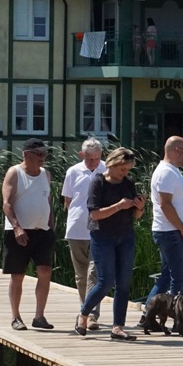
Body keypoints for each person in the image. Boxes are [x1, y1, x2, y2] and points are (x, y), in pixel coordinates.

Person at [76, 147, 145, 341]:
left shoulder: (128, 183)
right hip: (102, 237)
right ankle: (83, 314)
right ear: (112, 164)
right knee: (105, 282)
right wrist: (118, 206)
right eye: (122, 169)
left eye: (128, 170)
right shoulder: (97, 182)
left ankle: (118, 327)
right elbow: (95, 214)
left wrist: (140, 207)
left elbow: (136, 215)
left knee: (124, 283)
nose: (125, 173)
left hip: (126, 236)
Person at [139, 136, 183, 332]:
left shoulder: (172, 172)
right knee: (177, 278)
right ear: (177, 150)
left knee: (165, 276)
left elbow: (177, 203)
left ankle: (146, 317)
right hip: (171, 232)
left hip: (171, 230)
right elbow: (165, 204)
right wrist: (182, 229)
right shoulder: (166, 172)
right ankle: (179, 321)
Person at [2, 138, 55, 330]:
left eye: (45, 154)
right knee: (18, 275)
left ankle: (39, 316)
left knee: (45, 272)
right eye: (39, 154)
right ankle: (16, 317)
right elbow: (7, 203)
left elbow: (47, 202)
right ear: (26, 155)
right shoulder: (14, 173)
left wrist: (51, 227)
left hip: (42, 232)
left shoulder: (45, 174)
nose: (43, 158)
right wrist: (17, 228)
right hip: (18, 233)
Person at [62, 137, 106, 330]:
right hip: (76, 229)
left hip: (99, 229)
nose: (93, 162)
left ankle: (92, 314)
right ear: (82, 155)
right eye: (89, 159)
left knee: (94, 273)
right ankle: (84, 310)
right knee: (81, 275)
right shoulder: (72, 171)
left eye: (96, 158)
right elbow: (67, 200)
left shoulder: (106, 170)